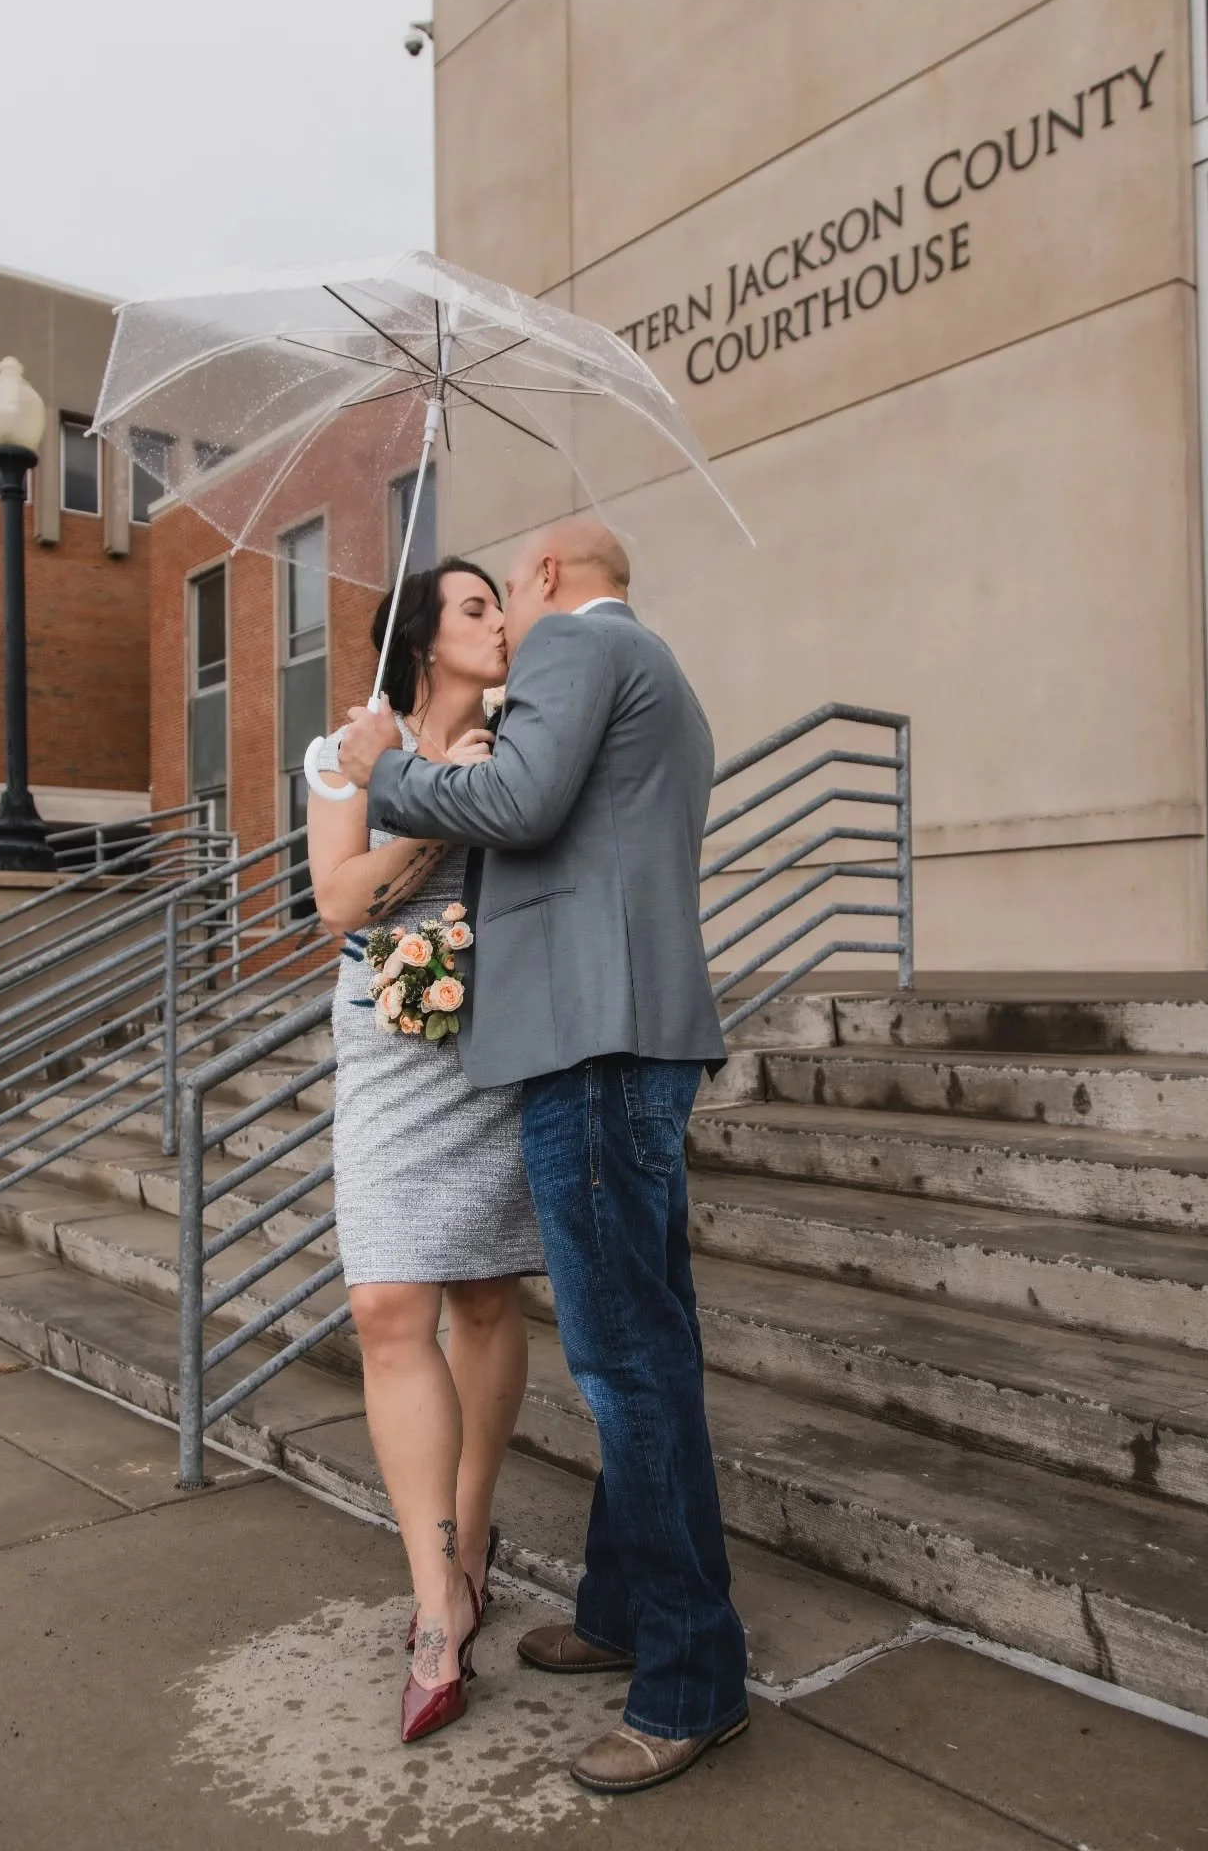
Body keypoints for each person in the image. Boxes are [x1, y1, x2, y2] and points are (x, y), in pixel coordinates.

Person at [336, 516, 750, 1797]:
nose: (510, 614)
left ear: (555, 575)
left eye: (512, 585)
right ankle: (624, 1607)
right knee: (647, 1339)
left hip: (595, 1044)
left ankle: (690, 1683)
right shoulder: (664, 676)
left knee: (629, 1367)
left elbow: (518, 801)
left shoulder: (573, 647)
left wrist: (385, 769)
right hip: (630, 1036)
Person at [308, 557, 545, 1747]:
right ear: (422, 635)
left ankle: (471, 1529)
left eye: (502, 603)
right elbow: (339, 903)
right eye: (476, 607)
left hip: (487, 1037)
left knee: (487, 1301)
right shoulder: (351, 746)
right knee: (387, 1306)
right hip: (389, 1048)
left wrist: (467, 785)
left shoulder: (525, 739)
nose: (502, 621)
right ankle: (437, 1599)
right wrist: (425, 802)